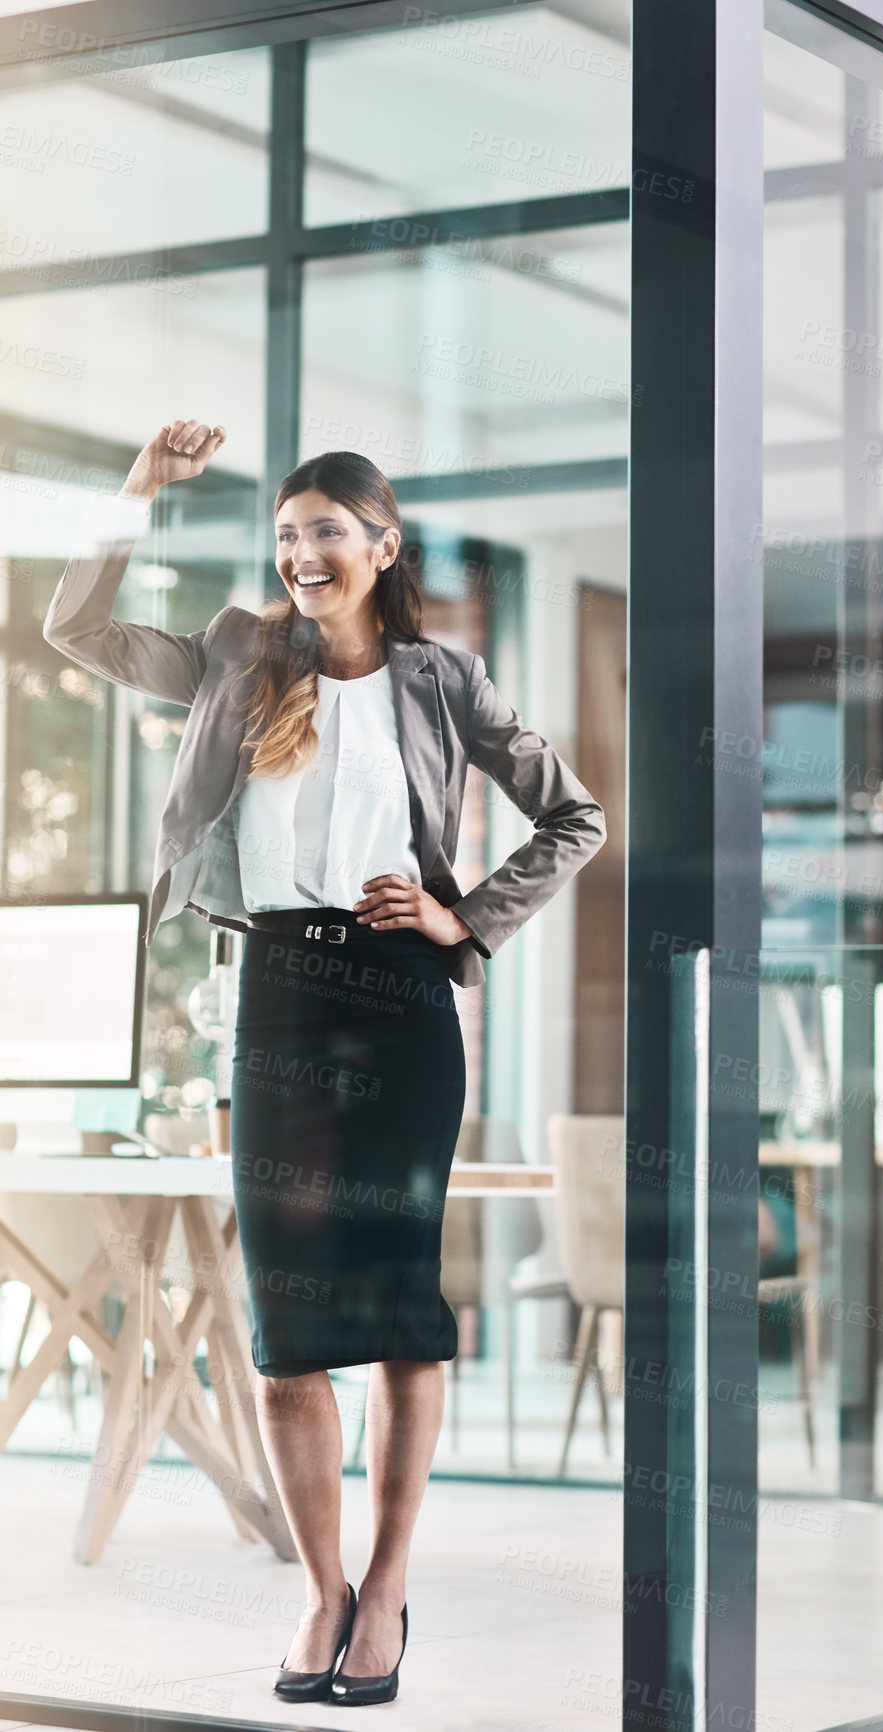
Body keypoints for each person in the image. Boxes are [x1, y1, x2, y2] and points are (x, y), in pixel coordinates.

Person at [43, 419, 607, 1706]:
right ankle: (320, 1588)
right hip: (280, 1002)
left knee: (404, 1309)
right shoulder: (241, 655)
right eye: (287, 533)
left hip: (403, 1002)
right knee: (289, 1331)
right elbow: (76, 629)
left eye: (326, 533)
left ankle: (389, 1590)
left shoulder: (444, 679)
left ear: (382, 546)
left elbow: (574, 813)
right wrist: (136, 489)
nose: (301, 553)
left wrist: (466, 917)